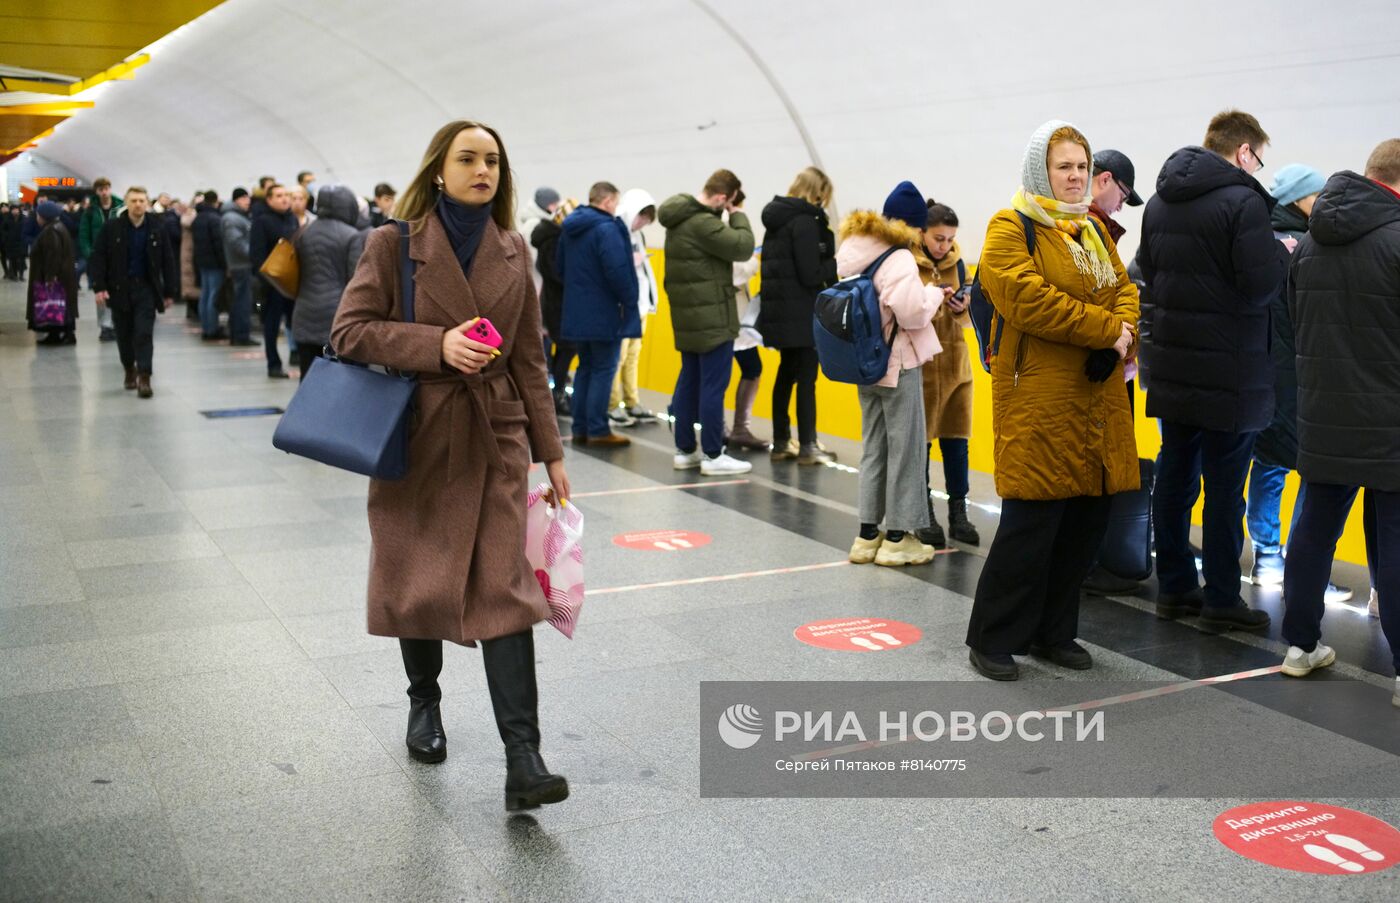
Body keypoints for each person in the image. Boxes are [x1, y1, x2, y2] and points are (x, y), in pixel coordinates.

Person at [330, 119, 572, 810]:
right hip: (419, 437)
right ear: (439, 169)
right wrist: (438, 346)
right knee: (417, 582)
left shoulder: (512, 250)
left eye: (492, 159)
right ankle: (424, 701)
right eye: (468, 158)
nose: (482, 169)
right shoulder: (394, 244)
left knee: (507, 590)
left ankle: (523, 758)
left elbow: (529, 359)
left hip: (494, 438)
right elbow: (348, 332)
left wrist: (550, 452)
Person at [964, 121, 1141, 681]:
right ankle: (993, 638)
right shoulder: (1010, 227)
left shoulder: (1090, 231)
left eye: (1083, 167)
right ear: (1041, 169)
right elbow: (1026, 299)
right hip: (1039, 398)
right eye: (1064, 166)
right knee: (1031, 526)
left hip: (1095, 398)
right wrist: (1104, 332)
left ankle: (1053, 631)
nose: (1075, 177)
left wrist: (1121, 337)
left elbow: (1127, 293)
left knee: (1082, 525)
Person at [1139, 110, 1288, 630]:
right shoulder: (1244, 202)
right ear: (1245, 152)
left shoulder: (1158, 203)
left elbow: (1149, 275)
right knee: (1226, 489)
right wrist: (1280, 253)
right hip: (1230, 373)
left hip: (1176, 368)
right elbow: (1260, 287)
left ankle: (1174, 588)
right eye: (1260, 159)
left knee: (1176, 478)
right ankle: (1223, 598)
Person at [1280, 140, 1400, 707]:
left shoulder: (1308, 245)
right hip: (1390, 420)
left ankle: (1300, 646)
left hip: (1323, 413)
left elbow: (1293, 320)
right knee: (1396, 542)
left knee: (1312, 531)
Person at [1245, 163, 1351, 604]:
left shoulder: (1255, 240)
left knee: (1268, 463)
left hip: (1259, 374)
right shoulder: (1313, 246)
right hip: (1306, 376)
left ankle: (1266, 558)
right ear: (1301, 200)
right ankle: (1305, 571)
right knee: (1314, 471)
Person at [840, 182, 942, 569]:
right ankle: (899, 539)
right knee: (906, 451)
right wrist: (934, 295)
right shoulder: (898, 257)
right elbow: (912, 313)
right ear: (913, 226)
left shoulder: (853, 250)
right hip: (898, 364)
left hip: (864, 364)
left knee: (874, 449)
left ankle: (867, 536)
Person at [658, 169, 756, 476]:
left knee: (689, 381)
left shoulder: (678, 220)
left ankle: (685, 450)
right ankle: (713, 454)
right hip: (712, 319)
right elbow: (742, 246)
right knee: (714, 386)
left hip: (688, 318)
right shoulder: (704, 223)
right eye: (729, 203)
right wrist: (738, 215)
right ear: (723, 198)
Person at [1080, 149, 1146, 594]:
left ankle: (1085, 563)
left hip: (1106, 363)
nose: (1122, 204)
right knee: (1094, 469)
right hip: (1098, 370)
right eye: (1122, 194)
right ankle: (1085, 564)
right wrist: (1117, 341)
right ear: (1105, 180)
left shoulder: (1100, 229)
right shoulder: (1087, 230)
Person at [756, 166, 838, 464]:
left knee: (785, 375)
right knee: (806, 379)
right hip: (803, 312)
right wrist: (837, 263)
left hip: (780, 311)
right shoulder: (804, 222)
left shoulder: (778, 219)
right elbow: (810, 273)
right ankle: (808, 445)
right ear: (817, 193)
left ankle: (780, 442)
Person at [556, 181, 639, 447]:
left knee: (585, 368)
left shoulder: (569, 228)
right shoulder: (607, 228)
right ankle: (598, 429)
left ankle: (581, 428)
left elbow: (559, 267)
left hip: (576, 311)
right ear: (607, 202)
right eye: (615, 202)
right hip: (604, 311)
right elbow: (618, 271)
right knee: (604, 369)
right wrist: (630, 300)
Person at [917, 199, 980, 549]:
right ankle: (923, 511)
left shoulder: (958, 263)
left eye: (950, 239)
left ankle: (959, 511)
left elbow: (971, 315)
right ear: (922, 232)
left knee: (957, 442)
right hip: (922, 364)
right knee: (921, 445)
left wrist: (962, 306)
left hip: (955, 363)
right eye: (939, 238)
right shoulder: (907, 261)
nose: (945, 245)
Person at [88, 187, 178, 399]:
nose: (138, 204)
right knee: (124, 334)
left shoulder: (156, 228)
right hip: (120, 289)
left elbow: (168, 260)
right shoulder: (112, 228)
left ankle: (144, 376)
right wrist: (99, 287)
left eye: (142, 200)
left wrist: (169, 291)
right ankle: (129, 368)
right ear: (127, 203)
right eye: (134, 200)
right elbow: (99, 257)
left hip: (146, 288)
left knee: (144, 333)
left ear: (147, 203)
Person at [292, 185, 367, 378]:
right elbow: (355, 279)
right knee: (340, 379)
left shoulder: (303, 233)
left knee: (308, 377)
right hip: (336, 316)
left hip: (304, 312)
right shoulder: (351, 235)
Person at [609, 188, 660, 424]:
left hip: (640, 305)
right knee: (617, 358)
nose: (642, 224)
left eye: (646, 220)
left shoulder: (637, 236)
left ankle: (632, 401)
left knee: (632, 357)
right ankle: (612, 404)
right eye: (642, 218)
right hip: (623, 307)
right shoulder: (615, 230)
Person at [250, 182, 299, 378]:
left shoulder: (292, 219)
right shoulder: (262, 221)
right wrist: (265, 280)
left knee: (295, 322)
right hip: (271, 284)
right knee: (271, 324)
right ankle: (273, 363)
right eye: (278, 196)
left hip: (291, 282)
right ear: (269, 200)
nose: (284, 198)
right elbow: (257, 254)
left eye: (286, 195)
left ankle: (297, 355)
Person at [728, 235, 769, 449]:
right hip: (728, 317)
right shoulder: (720, 234)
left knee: (752, 368)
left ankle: (737, 429)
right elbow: (736, 272)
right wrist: (753, 259)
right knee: (716, 374)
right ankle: (730, 429)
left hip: (734, 317)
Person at [26, 200, 79, 346]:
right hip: (64, 276)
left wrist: (50, 277)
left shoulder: (51, 231)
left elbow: (53, 255)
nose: (36, 218)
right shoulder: (59, 227)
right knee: (61, 304)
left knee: (55, 304)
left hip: (56, 276)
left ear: (44, 216)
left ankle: (63, 334)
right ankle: (56, 333)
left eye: (38, 215)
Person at [77, 177, 123, 341]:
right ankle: (105, 326)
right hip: (99, 258)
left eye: (106, 189)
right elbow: (83, 235)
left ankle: (117, 324)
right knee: (101, 293)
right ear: (96, 191)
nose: (104, 192)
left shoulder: (120, 207)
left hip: (118, 257)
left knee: (118, 292)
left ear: (110, 189)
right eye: (100, 189)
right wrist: (90, 254)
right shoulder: (90, 211)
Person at [220, 188, 258, 346]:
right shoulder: (232, 218)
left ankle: (239, 333)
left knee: (241, 300)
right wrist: (255, 254)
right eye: (243, 198)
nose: (247, 201)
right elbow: (236, 243)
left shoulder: (237, 217)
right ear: (236, 200)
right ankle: (241, 335)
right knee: (242, 301)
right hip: (240, 265)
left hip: (240, 264)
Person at [1087, 149, 1143, 243]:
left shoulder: (1061, 213)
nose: (1119, 208)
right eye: (1122, 198)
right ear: (1105, 180)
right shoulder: (1088, 228)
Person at [192, 190, 227, 340]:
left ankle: (206, 327)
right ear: (216, 201)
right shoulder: (215, 218)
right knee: (214, 296)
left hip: (202, 261)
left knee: (205, 295)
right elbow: (219, 244)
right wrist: (224, 263)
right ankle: (212, 329)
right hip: (214, 263)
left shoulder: (198, 218)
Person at [1, 204, 25, 281]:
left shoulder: (23, 218)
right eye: (13, 209)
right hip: (11, 242)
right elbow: (3, 230)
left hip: (21, 242)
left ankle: (21, 275)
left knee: (22, 259)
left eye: (16, 209)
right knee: (13, 260)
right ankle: (14, 275)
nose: (15, 211)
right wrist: (7, 237)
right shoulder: (7, 219)